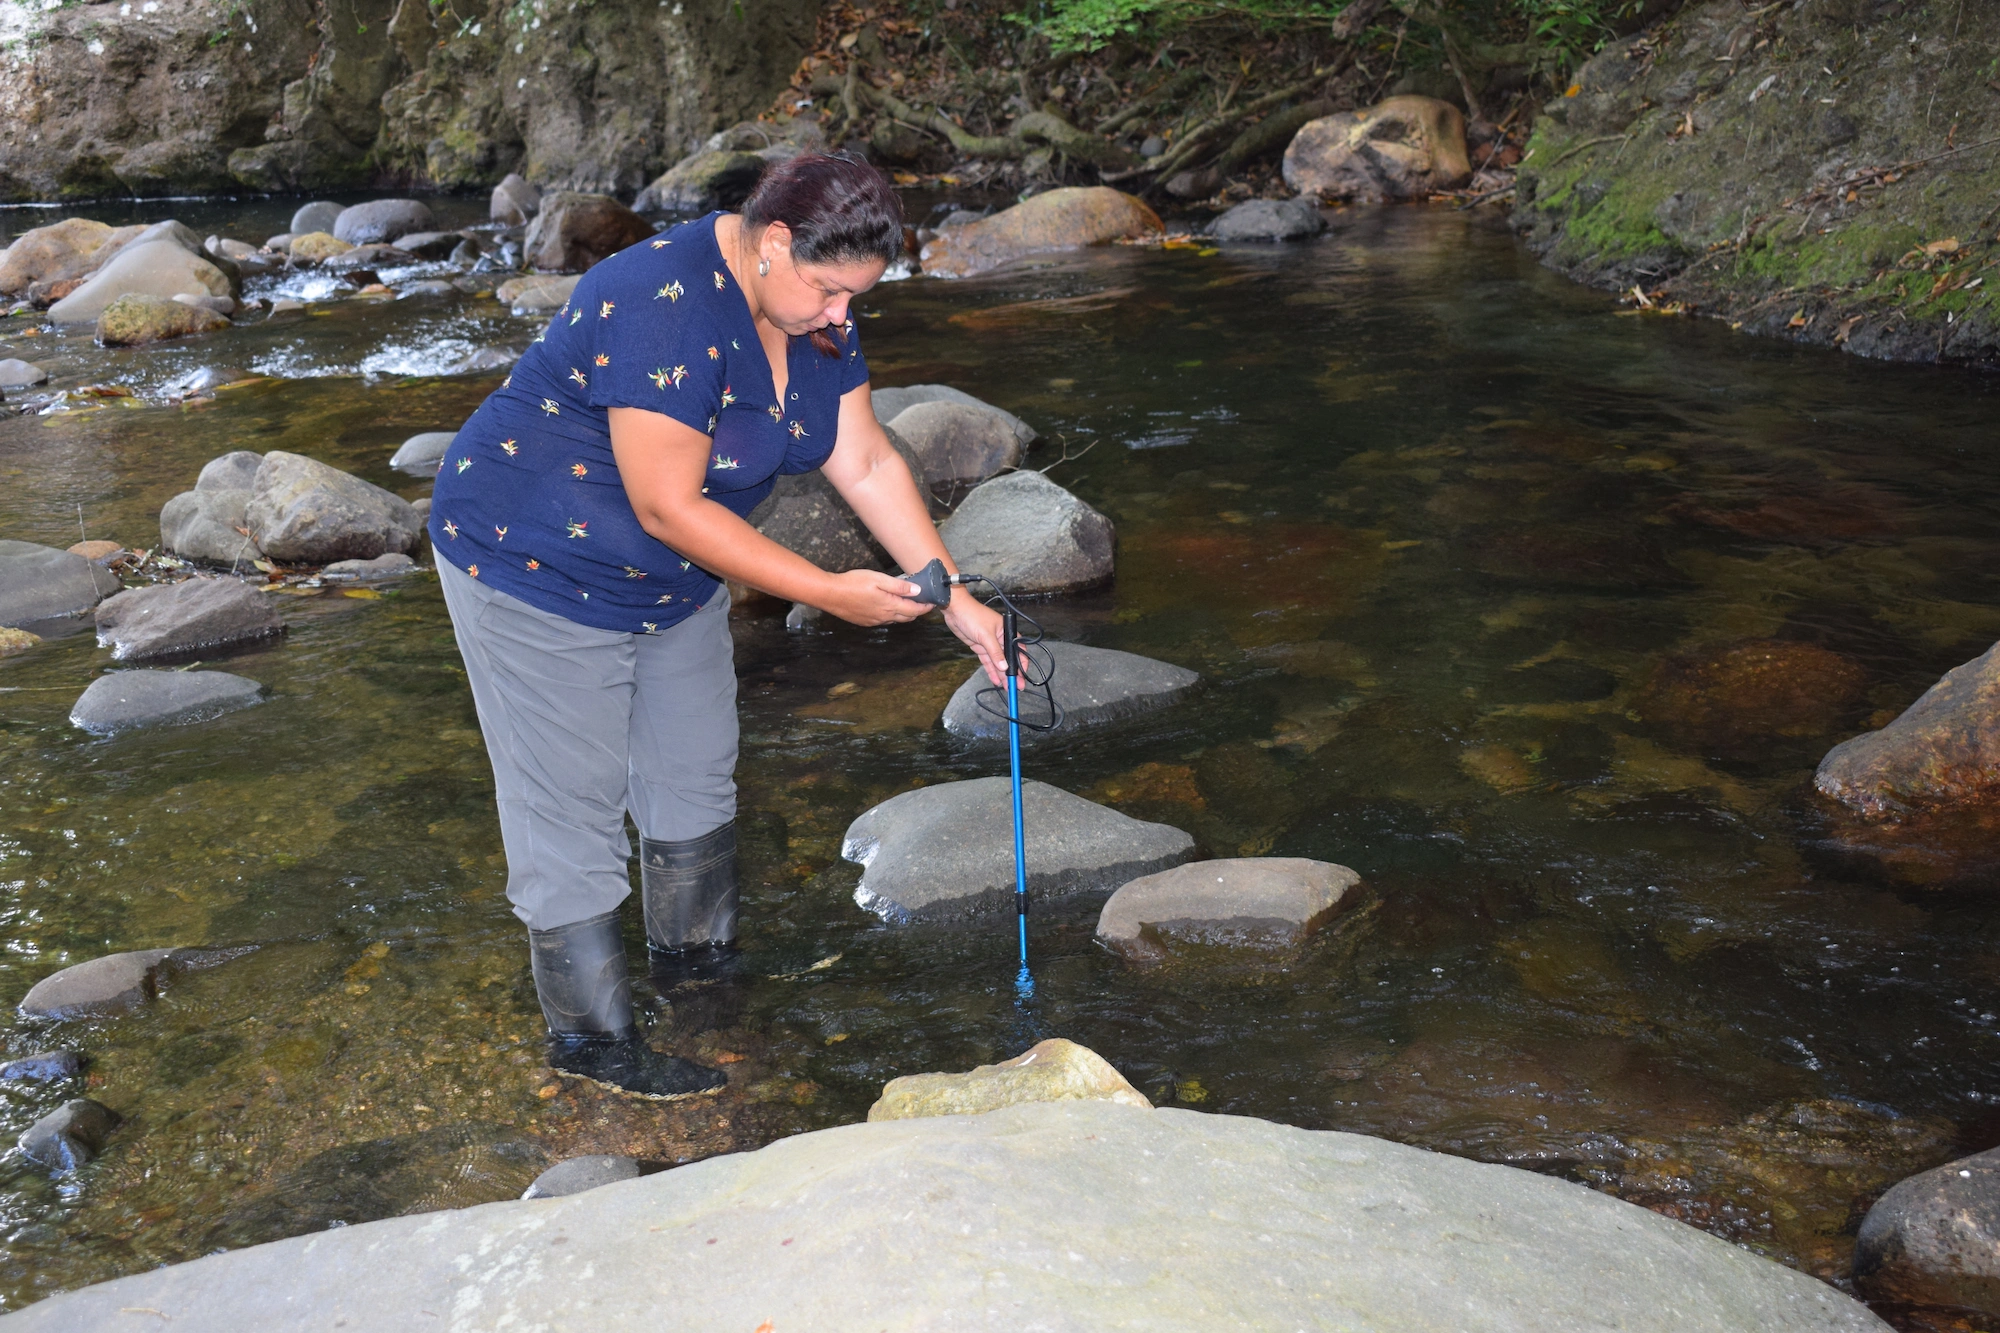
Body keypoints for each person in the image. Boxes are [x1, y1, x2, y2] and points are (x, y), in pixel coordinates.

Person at [428, 154, 1008, 1098]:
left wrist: (950, 594)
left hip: (674, 579)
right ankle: (592, 1051)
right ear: (774, 242)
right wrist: (825, 589)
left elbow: (861, 458)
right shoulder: (662, 301)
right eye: (827, 292)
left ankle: (698, 984)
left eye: (856, 298)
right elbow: (669, 504)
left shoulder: (816, 314)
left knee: (694, 771)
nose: (841, 317)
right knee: (568, 804)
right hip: (535, 560)